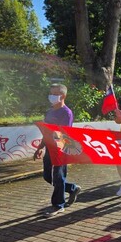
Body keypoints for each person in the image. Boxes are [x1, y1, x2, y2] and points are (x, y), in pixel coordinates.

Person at [33, 83, 81, 217]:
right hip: (49, 148)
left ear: (63, 96)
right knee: (48, 177)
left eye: (55, 94)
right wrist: (40, 147)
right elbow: (47, 132)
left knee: (58, 177)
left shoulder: (66, 113)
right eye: (51, 93)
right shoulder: (49, 111)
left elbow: (64, 134)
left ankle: (58, 205)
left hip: (60, 150)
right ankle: (72, 188)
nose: (51, 96)